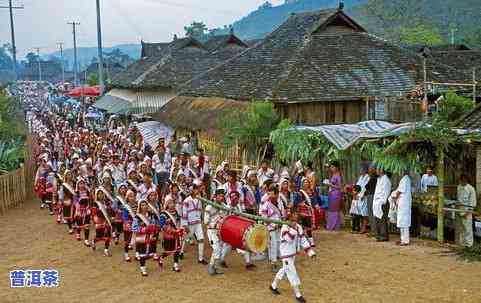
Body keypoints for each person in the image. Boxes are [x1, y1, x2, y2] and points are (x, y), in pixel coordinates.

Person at [269, 210, 316, 303]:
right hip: (286, 254)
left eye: (296, 214)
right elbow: (288, 239)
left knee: (284, 270)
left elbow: (303, 239)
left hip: (293, 253)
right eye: (293, 214)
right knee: (291, 272)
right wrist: (293, 228)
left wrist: (310, 251)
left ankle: (273, 285)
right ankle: (298, 295)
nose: (296, 216)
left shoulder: (298, 227)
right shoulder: (284, 227)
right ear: (289, 216)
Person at [260, 184, 285, 272]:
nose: (270, 195)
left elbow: (282, 214)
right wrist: (272, 225)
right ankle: (273, 263)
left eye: (272, 193)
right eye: (269, 193)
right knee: (273, 244)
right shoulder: (266, 204)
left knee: (278, 242)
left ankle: (274, 258)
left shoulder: (280, 203)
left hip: (279, 226)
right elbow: (264, 218)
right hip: (270, 228)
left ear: (277, 194)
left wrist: (281, 223)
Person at [181, 180, 207, 264]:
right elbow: (184, 214)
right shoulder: (186, 201)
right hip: (190, 223)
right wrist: (185, 225)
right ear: (192, 190)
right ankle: (181, 252)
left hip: (198, 223)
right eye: (196, 189)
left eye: (198, 189)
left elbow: (201, 210)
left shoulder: (200, 199)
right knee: (186, 239)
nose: (197, 191)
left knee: (201, 239)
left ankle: (200, 258)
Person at [204, 189, 227, 275]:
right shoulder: (209, 207)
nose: (221, 198)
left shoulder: (224, 206)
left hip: (220, 232)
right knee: (216, 249)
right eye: (220, 196)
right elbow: (206, 222)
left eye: (222, 196)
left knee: (218, 249)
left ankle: (212, 266)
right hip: (212, 231)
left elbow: (228, 214)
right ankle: (214, 267)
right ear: (215, 196)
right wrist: (214, 225)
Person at [455, 175, 477, 248]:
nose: (462, 182)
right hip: (459, 210)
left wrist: (467, 213)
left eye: (463, 181)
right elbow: (458, 199)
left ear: (466, 180)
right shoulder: (459, 187)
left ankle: (469, 245)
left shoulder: (471, 189)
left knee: (468, 229)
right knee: (460, 229)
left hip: (467, 211)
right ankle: (461, 244)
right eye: (461, 181)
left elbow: (472, 203)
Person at [372, 168, 392, 242]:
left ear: (381, 170)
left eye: (377, 169)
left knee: (382, 219)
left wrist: (382, 202)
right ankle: (379, 234)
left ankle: (384, 236)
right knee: (377, 218)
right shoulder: (379, 179)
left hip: (382, 202)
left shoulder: (386, 180)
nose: (376, 170)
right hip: (377, 202)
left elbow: (386, 192)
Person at [394, 171, 412, 246]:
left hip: (404, 203)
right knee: (401, 221)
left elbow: (400, 191)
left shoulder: (405, 179)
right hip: (402, 203)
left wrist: (395, 196)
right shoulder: (404, 179)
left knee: (404, 222)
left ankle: (406, 240)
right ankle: (402, 239)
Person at [325, 161, 343, 231]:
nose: (331, 168)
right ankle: (333, 225)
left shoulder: (338, 175)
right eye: (331, 167)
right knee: (331, 210)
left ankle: (334, 225)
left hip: (336, 194)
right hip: (331, 194)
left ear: (337, 167)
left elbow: (340, 187)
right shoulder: (333, 174)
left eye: (333, 167)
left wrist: (330, 185)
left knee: (335, 210)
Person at [364, 164, 377, 236]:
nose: (369, 170)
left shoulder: (374, 177)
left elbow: (367, 186)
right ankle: (373, 230)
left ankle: (374, 231)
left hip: (372, 195)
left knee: (372, 213)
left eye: (370, 168)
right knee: (370, 213)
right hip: (370, 195)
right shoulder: (372, 177)